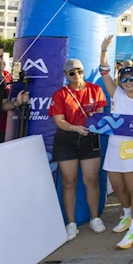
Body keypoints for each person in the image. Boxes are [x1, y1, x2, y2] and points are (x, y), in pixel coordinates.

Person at [97, 37, 133, 249]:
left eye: (131, 79)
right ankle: (127, 215)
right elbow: (104, 73)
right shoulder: (117, 94)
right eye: (124, 80)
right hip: (114, 147)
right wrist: (103, 51)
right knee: (118, 187)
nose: (127, 83)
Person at [47, 58, 106, 240]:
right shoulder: (60, 94)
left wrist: (93, 119)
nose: (76, 75)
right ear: (66, 75)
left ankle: (95, 218)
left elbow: (101, 114)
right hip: (67, 139)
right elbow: (59, 121)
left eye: (79, 71)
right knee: (69, 181)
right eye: (72, 72)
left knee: (91, 180)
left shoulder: (95, 90)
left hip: (89, 138)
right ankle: (71, 223)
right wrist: (75, 128)